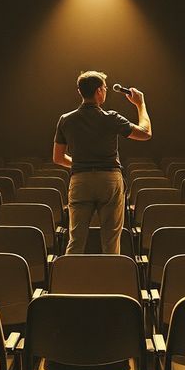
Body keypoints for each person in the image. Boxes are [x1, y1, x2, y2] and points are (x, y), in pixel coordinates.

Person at [52, 70, 152, 254]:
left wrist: (81, 164)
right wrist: (141, 104)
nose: (105, 91)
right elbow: (145, 133)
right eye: (105, 88)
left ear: (80, 91)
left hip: (80, 180)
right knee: (111, 242)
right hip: (109, 181)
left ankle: (68, 281)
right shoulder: (111, 117)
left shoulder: (65, 120)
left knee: (76, 241)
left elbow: (58, 158)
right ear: (99, 91)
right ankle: (110, 281)